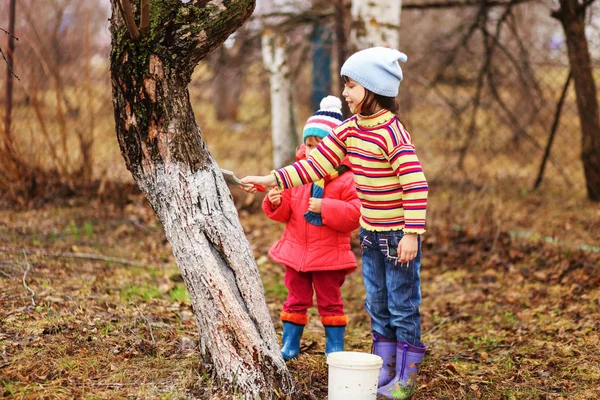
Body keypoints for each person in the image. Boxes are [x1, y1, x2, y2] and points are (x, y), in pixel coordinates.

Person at [241, 47, 428, 399]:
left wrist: (412, 234)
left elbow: (415, 184)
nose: (345, 93)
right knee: (376, 304)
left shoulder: (392, 133)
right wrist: (271, 180)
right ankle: (384, 371)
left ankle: (405, 379)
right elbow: (313, 166)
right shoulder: (349, 130)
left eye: (351, 86)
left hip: (398, 236)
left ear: (373, 89)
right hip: (371, 235)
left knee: (402, 306)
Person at [262, 96, 361, 361]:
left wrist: (326, 207)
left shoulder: (347, 179)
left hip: (329, 257)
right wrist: (276, 201)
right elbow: (285, 214)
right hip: (297, 254)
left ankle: (335, 349)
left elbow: (355, 215)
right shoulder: (297, 175)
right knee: (295, 299)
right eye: (308, 145)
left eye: (320, 146)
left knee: (330, 302)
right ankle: (290, 346)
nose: (312, 152)